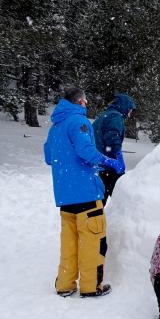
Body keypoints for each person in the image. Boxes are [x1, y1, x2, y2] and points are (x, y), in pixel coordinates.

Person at [44, 87, 125, 298]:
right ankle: (91, 286)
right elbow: (86, 151)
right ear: (80, 102)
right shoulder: (78, 122)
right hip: (87, 194)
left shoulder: (56, 126)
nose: (87, 104)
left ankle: (65, 284)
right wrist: (108, 162)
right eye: (86, 101)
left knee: (69, 244)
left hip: (65, 197)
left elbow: (48, 157)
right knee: (93, 242)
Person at [93, 93, 136, 204]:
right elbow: (112, 138)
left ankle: (97, 219)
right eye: (130, 110)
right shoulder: (115, 116)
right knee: (123, 199)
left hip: (98, 164)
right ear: (124, 106)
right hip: (109, 166)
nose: (130, 114)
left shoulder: (105, 115)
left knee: (98, 200)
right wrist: (118, 156)